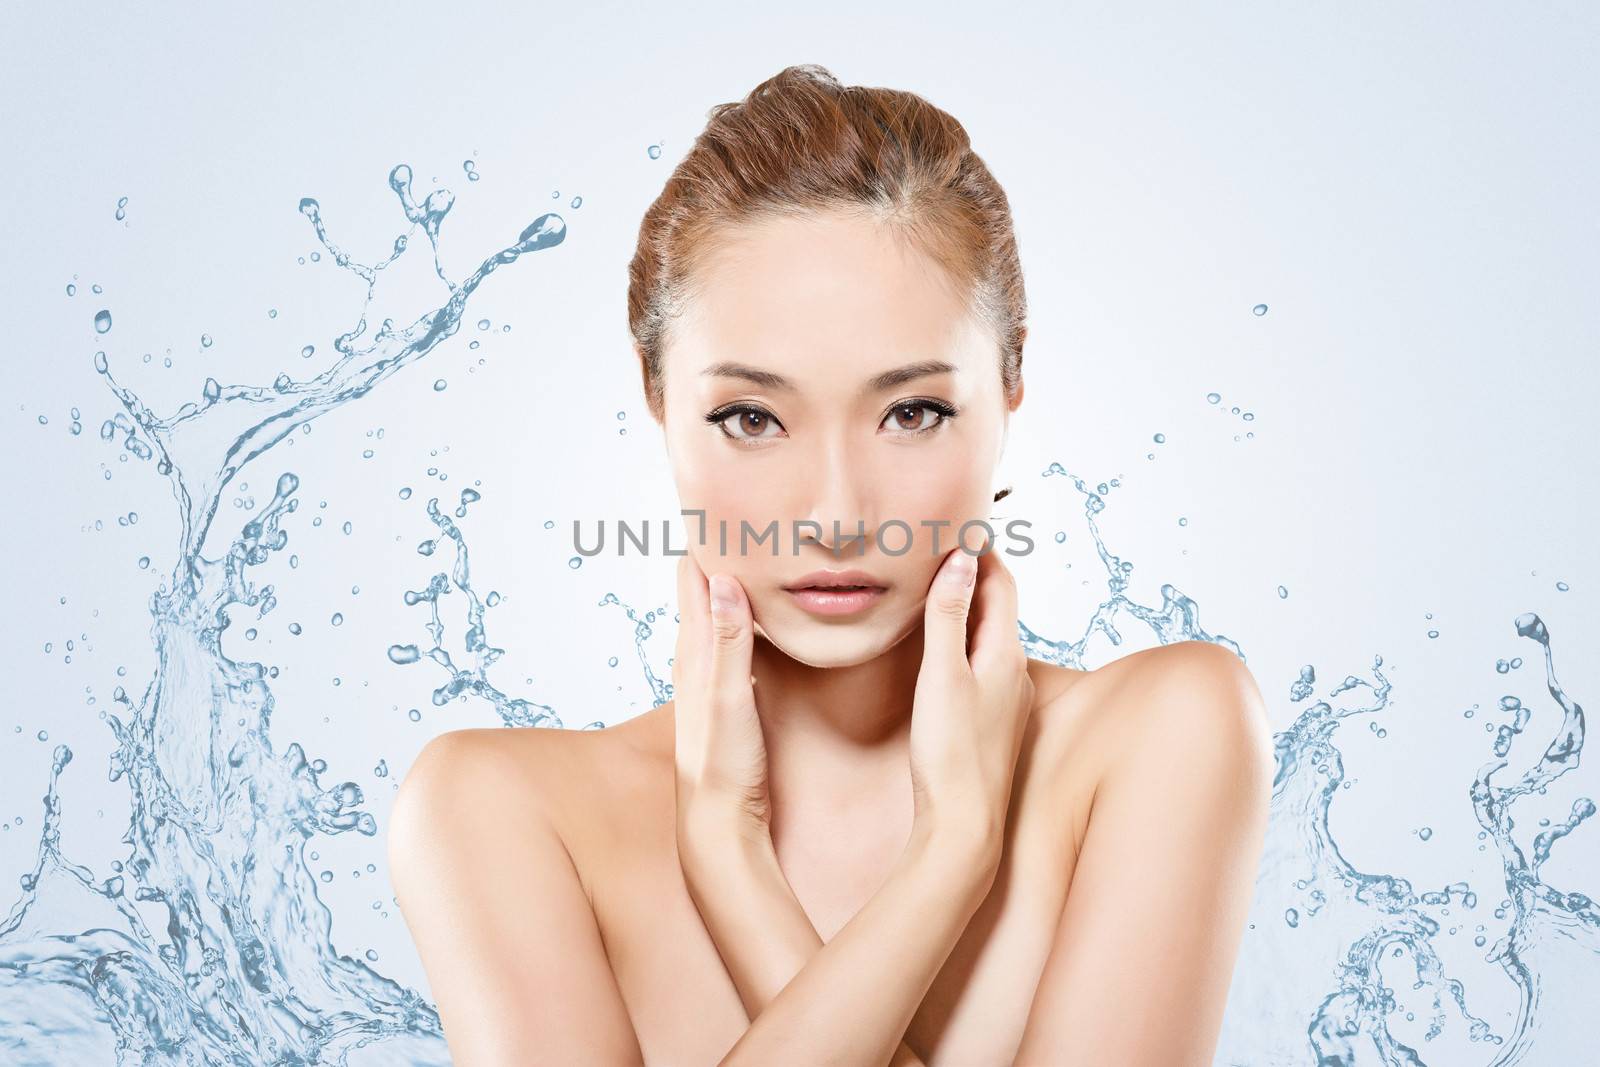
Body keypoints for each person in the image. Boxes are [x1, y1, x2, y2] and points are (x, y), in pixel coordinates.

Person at [387, 63, 1273, 1066]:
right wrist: (934, 858)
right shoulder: (503, 815)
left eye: (911, 411)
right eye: (752, 417)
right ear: (656, 399)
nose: (836, 515)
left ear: (1013, 383)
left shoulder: (1161, 736)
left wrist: (747, 864)